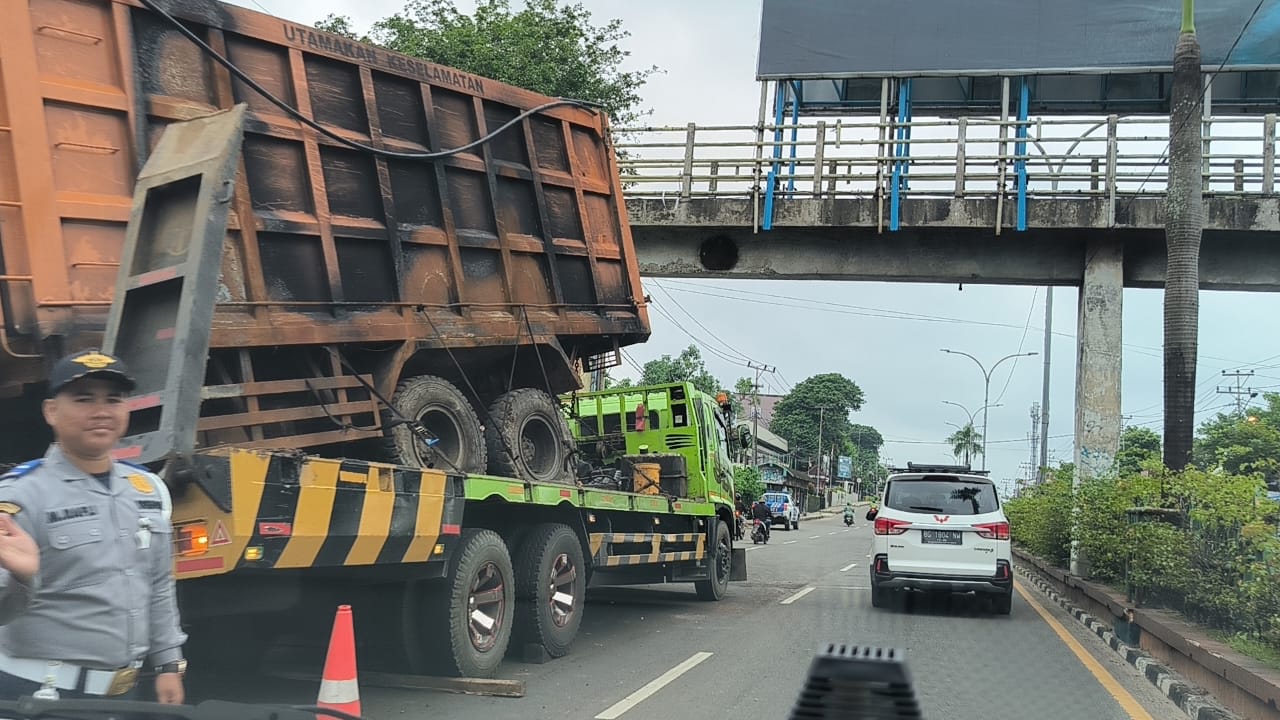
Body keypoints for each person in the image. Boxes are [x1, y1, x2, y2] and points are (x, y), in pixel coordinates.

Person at [0, 350, 186, 702]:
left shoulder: (147, 489)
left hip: (122, 696)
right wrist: (22, 579)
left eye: (113, 399)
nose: (101, 411)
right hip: (41, 696)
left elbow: (159, 585)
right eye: (84, 399)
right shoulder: (20, 495)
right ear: (51, 411)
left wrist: (169, 665)